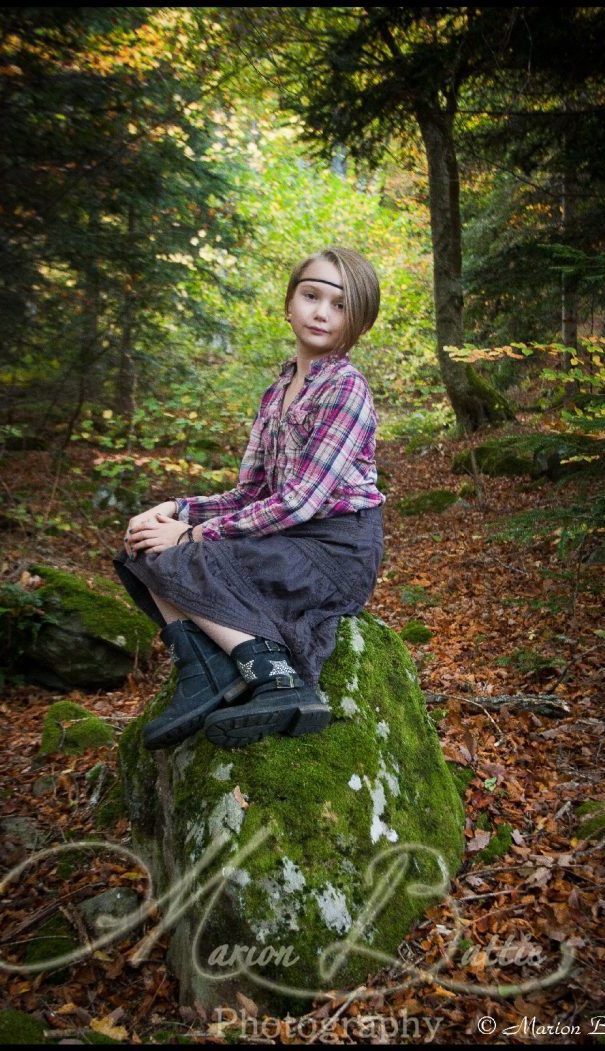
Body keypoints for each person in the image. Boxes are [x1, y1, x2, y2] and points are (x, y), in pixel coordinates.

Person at [113, 246, 385, 751]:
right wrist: (175, 510)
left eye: (341, 304)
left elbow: (300, 501)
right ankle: (207, 670)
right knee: (142, 545)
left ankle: (278, 679)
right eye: (311, 296)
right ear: (290, 304)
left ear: (359, 321)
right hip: (287, 535)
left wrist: (192, 533)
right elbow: (254, 493)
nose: (322, 312)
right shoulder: (278, 389)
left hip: (335, 550)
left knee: (188, 551)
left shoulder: (346, 389)